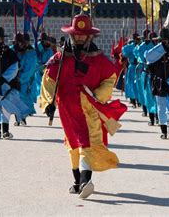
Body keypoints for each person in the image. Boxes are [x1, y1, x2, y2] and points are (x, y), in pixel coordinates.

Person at [40, 14, 127, 199]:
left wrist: (98, 96)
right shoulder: (60, 57)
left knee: (87, 142)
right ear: (72, 34)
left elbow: (110, 79)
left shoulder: (98, 58)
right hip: (67, 108)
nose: (79, 37)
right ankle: (77, 182)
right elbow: (48, 79)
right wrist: (49, 102)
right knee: (72, 143)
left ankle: (86, 181)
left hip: (89, 108)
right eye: (77, 34)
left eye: (83, 34)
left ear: (89, 36)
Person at [10, 32, 38, 124]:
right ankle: (18, 119)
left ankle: (22, 118)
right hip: (11, 79)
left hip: (24, 80)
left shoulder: (30, 53)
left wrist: (20, 79)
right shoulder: (12, 50)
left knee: (22, 98)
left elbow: (29, 69)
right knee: (13, 99)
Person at [33, 32, 55, 103]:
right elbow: (34, 57)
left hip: (46, 68)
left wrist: (46, 65)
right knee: (39, 84)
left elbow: (51, 59)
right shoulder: (37, 47)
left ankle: (45, 99)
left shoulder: (49, 49)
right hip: (38, 68)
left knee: (45, 84)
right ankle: (41, 100)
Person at [121, 33, 141, 108]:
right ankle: (133, 100)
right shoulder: (130, 46)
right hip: (132, 67)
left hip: (140, 67)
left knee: (138, 84)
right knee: (131, 84)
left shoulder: (140, 45)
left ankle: (139, 100)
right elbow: (123, 51)